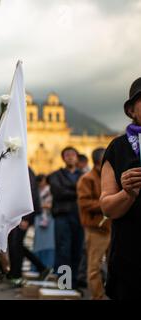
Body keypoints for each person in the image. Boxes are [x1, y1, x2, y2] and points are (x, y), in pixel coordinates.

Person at [100, 77, 141, 300]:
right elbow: (107, 208)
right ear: (131, 110)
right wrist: (128, 194)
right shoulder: (119, 148)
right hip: (131, 257)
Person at [48, 146, 84, 289]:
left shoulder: (83, 176)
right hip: (62, 216)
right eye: (67, 154)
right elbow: (58, 193)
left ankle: (73, 282)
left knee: (77, 249)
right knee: (63, 249)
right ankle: (64, 283)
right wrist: (77, 190)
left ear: (77, 157)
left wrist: (69, 189)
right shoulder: (55, 175)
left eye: (73, 154)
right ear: (63, 158)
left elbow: (87, 192)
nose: (70, 157)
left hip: (79, 216)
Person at [77, 147, 111, 300]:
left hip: (111, 227)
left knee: (115, 265)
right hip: (96, 228)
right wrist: (107, 204)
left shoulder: (110, 176)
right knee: (94, 267)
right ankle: (97, 297)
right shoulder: (87, 179)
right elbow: (84, 203)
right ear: (99, 162)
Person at [32, 174, 55, 270]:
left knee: (49, 242)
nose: (40, 184)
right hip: (39, 218)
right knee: (38, 242)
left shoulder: (50, 190)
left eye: (41, 181)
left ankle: (49, 264)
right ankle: (39, 264)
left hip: (48, 218)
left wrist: (41, 206)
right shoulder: (36, 190)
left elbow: (52, 204)